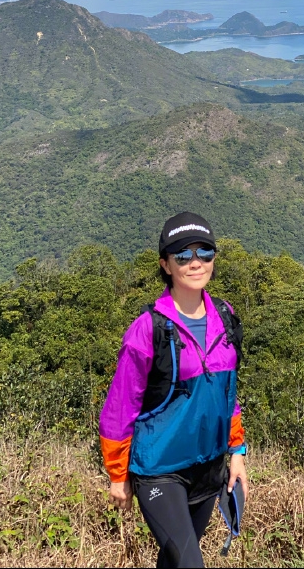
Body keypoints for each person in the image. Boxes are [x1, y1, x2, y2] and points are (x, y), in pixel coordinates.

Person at [99, 211, 248, 568]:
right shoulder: (148, 330)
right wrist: (118, 475)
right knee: (189, 563)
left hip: (208, 467)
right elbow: (120, 408)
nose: (196, 263)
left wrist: (237, 453)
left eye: (205, 253)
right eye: (183, 255)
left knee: (176, 558)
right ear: (166, 265)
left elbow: (227, 393)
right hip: (160, 470)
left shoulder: (225, 318)